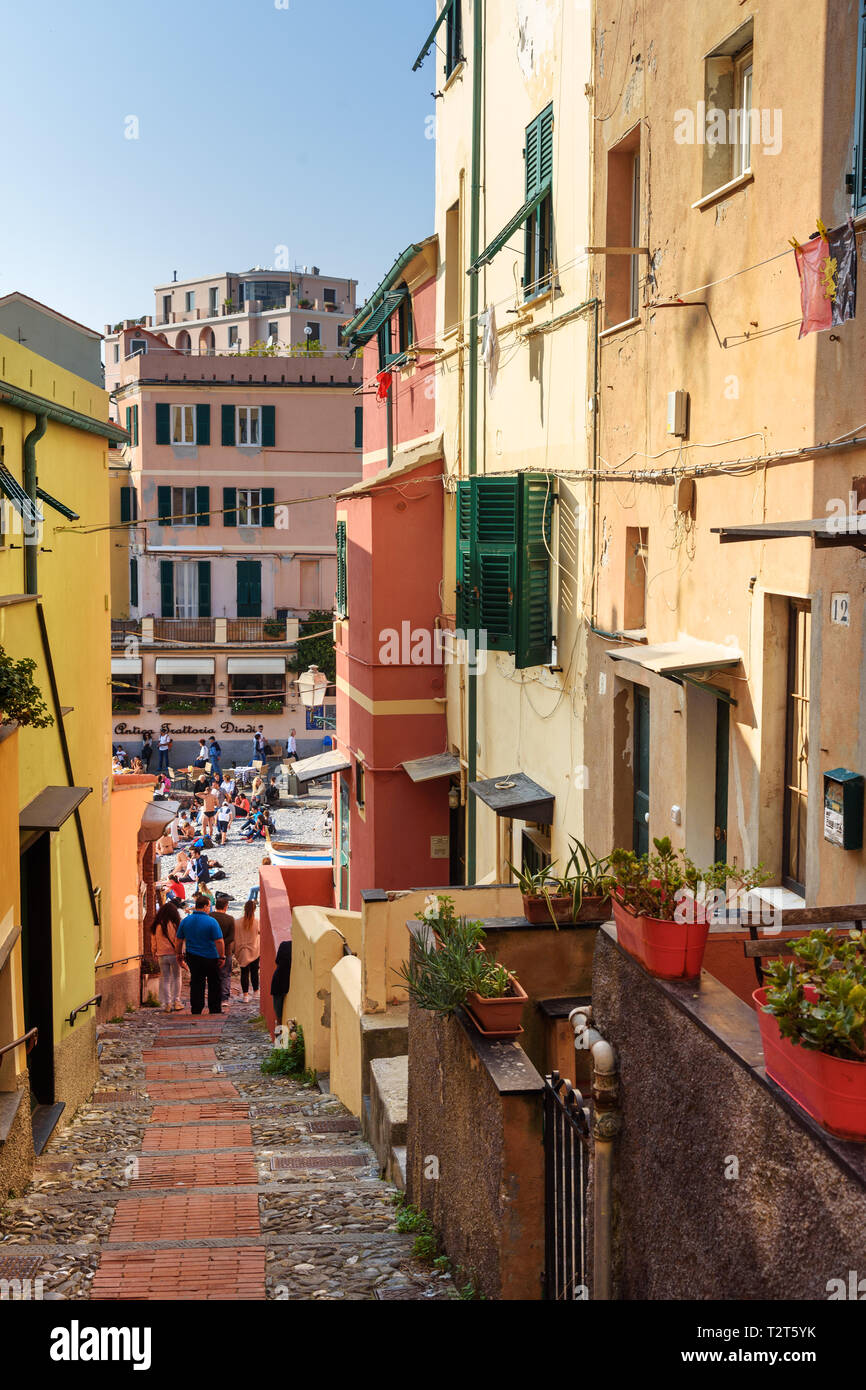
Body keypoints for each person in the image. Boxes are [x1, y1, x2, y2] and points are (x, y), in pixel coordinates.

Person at [176, 895, 224, 1015]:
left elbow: (179, 940)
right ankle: (215, 1009)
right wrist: (222, 956)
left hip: (193, 957)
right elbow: (219, 941)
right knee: (214, 983)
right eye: (209, 906)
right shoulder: (212, 921)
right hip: (211, 956)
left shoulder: (186, 921)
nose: (210, 908)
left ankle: (196, 1009)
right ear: (204, 907)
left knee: (197, 982)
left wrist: (179, 954)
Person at [151, 900, 185, 1012]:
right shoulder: (176, 924)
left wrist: (154, 952)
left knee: (165, 979)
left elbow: (153, 942)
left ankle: (167, 1004)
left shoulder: (157, 925)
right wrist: (180, 952)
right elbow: (179, 940)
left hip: (162, 955)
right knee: (177, 977)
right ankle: (177, 1001)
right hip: (174, 954)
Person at [212, 892, 236, 1005]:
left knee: (213, 975)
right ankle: (224, 998)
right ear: (226, 906)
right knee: (225, 975)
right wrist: (222, 943)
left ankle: (214, 997)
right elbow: (231, 937)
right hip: (226, 951)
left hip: (211, 950)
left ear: (215, 905)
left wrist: (215, 944)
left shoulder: (210, 917)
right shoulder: (230, 919)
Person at [235, 899, 261, 1002]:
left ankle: (245, 995)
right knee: (254, 971)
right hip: (254, 950)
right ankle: (256, 992)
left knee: (244, 973)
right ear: (254, 910)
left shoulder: (236, 922)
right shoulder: (257, 922)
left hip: (242, 950)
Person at [270, 939, 293, 1028]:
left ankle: (279, 1040)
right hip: (286, 982)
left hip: (278, 982)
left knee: (279, 1017)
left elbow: (277, 961)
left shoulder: (284, 945)